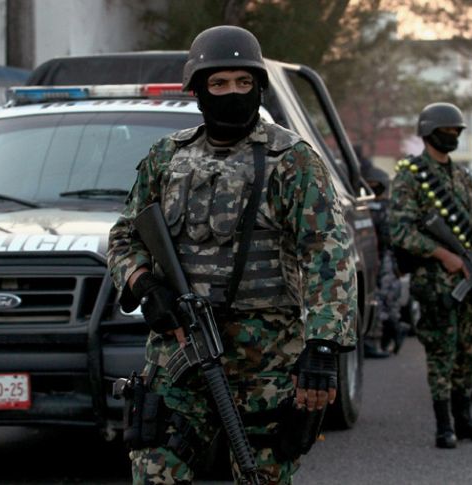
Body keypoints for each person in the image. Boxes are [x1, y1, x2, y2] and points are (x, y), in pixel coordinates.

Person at [107, 25, 357, 484]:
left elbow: (328, 256)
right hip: (179, 353)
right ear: (198, 90)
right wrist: (144, 285)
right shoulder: (166, 158)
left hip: (266, 362)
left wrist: (323, 347)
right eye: (218, 83)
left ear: (259, 88)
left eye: (243, 83)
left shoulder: (292, 161)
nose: (231, 93)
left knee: (259, 473)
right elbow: (125, 237)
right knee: (155, 471)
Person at [388, 102, 472, 449]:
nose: (452, 135)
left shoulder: (464, 177)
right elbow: (399, 230)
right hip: (435, 281)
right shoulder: (411, 176)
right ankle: (444, 425)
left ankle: (464, 417)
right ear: (428, 132)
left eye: (457, 131)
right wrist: (444, 255)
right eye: (447, 130)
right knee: (442, 350)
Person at [359, 156, 408, 358]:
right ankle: (383, 337)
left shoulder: (388, 208)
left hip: (385, 260)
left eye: (375, 186)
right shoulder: (367, 207)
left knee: (385, 302)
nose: (372, 188)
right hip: (373, 258)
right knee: (379, 303)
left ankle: (388, 336)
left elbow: (392, 237)